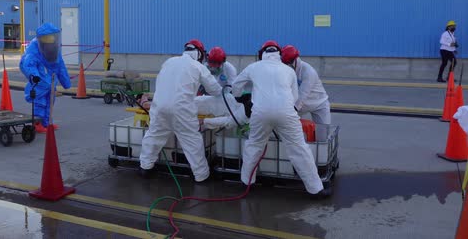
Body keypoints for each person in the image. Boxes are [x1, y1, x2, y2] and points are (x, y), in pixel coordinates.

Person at [233, 40, 331, 198]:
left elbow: (236, 85)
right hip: (286, 113)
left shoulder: (253, 67)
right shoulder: (289, 70)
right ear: (279, 54)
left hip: (260, 113)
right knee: (299, 148)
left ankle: (247, 183)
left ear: (261, 54)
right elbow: (295, 97)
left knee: (254, 145)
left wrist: (241, 98)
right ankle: (316, 189)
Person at [140, 39, 222, 182]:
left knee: (154, 136)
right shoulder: (197, 66)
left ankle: (145, 167)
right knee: (192, 141)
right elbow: (214, 90)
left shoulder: (169, 62)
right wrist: (224, 91)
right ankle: (201, 176)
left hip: (159, 107)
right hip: (182, 109)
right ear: (199, 54)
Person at [20, 22, 71, 133]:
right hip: (37, 73)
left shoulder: (54, 50)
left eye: (51, 40)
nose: (50, 43)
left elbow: (60, 66)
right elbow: (29, 64)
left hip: (49, 73)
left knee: (50, 97)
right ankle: (37, 122)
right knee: (40, 96)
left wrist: (66, 82)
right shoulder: (33, 49)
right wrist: (35, 77)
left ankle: (47, 123)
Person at [281, 45, 331, 125]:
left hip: (319, 104)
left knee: (323, 134)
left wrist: (292, 110)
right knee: (288, 126)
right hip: (303, 104)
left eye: (287, 64)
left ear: (293, 61)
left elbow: (302, 94)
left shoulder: (308, 72)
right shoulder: (288, 70)